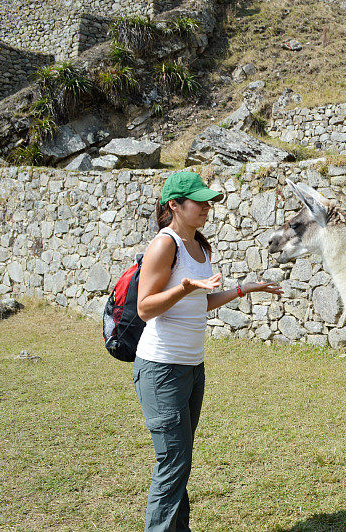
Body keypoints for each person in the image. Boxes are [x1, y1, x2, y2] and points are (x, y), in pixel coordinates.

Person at [133, 170, 282, 531]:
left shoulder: (200, 245)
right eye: (198, 202)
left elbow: (201, 302)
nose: (206, 208)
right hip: (161, 367)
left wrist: (244, 289)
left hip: (192, 367)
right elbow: (145, 307)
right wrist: (185, 287)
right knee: (173, 460)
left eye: (208, 201)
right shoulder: (164, 244)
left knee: (179, 459)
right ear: (174, 205)